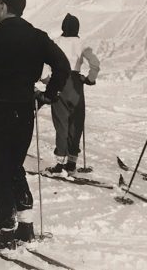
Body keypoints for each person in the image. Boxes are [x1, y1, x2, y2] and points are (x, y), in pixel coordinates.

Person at [0, 0, 70, 250]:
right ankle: (25, 224)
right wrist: (49, 94)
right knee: (15, 165)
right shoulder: (37, 37)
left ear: (4, 7)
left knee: (0, 169)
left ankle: (6, 229)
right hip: (25, 109)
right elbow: (63, 66)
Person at [45, 13, 100, 176]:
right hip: (76, 84)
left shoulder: (55, 42)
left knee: (61, 123)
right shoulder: (82, 44)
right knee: (76, 122)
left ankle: (59, 163)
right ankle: (72, 162)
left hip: (59, 82)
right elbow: (95, 64)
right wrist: (90, 79)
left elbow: (42, 62)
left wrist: (46, 79)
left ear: (63, 27)